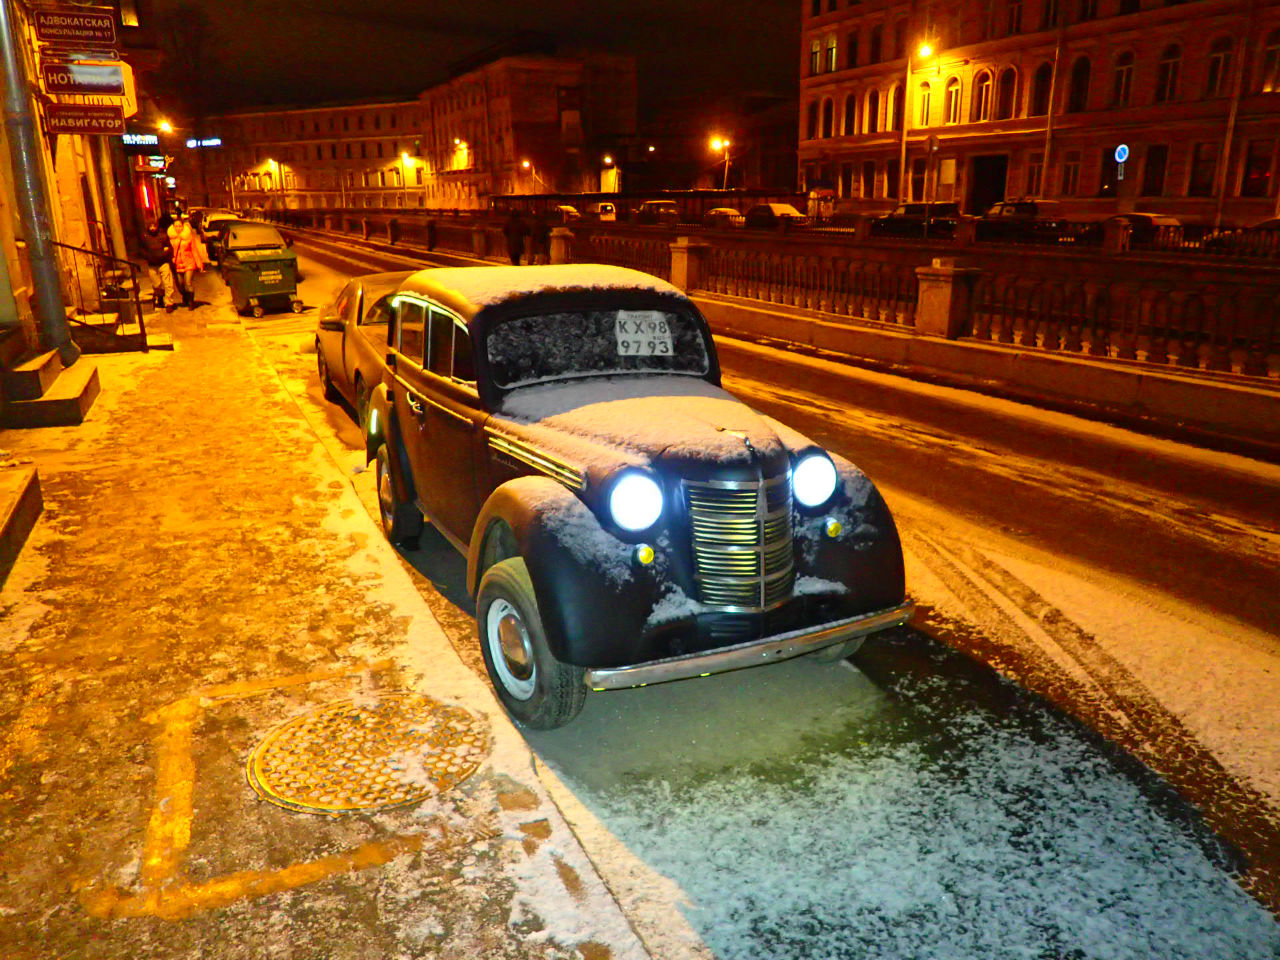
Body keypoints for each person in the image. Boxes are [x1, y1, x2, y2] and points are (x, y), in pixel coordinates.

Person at [168, 213, 207, 308]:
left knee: (188, 283)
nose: (178, 228)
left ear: (183, 226)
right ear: (173, 227)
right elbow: (168, 252)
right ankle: (185, 297)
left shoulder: (188, 237)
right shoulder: (170, 239)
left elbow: (194, 250)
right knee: (180, 285)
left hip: (189, 263)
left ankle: (191, 302)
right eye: (176, 226)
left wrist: (199, 264)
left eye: (180, 226)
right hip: (177, 264)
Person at [140, 221, 178, 313]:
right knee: (156, 284)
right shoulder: (145, 237)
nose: (153, 228)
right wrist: (147, 256)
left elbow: (169, 248)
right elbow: (142, 249)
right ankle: (160, 297)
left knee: (168, 283)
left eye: (154, 226)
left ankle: (169, 302)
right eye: (151, 226)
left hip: (163, 262)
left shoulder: (163, 236)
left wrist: (165, 254)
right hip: (152, 264)